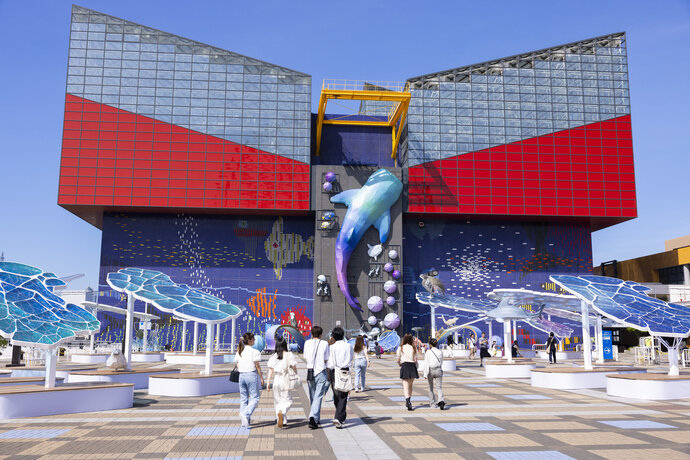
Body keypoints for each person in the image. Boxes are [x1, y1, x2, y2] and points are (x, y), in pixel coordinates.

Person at [303, 325, 330, 430]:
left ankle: (315, 418)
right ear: (321, 334)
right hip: (321, 371)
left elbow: (305, 357)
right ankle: (313, 417)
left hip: (310, 372)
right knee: (318, 396)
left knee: (313, 396)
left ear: (311, 333)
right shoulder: (325, 343)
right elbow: (326, 359)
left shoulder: (307, 343)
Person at [266, 338, 297, 428]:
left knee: (277, 401)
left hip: (276, 379)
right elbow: (294, 367)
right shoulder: (289, 355)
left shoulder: (274, 356)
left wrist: (268, 382)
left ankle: (282, 420)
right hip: (286, 379)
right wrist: (295, 376)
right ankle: (282, 412)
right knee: (287, 400)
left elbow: (270, 370)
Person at [236, 332, 264, 427]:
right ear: (250, 341)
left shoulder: (240, 351)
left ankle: (244, 421)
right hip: (251, 375)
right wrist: (261, 377)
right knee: (255, 398)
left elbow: (237, 364)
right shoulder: (255, 352)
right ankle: (246, 414)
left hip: (241, 375)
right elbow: (257, 366)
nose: (255, 340)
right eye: (253, 339)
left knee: (243, 398)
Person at [328, 326, 353, 429]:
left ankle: (338, 417)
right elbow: (351, 358)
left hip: (335, 371)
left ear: (333, 336)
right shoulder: (348, 346)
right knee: (343, 395)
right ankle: (341, 416)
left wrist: (329, 374)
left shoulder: (332, 347)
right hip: (345, 371)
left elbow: (330, 363)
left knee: (337, 395)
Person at [397, 333, 419, 411]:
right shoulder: (414, 348)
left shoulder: (401, 348)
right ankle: (409, 399)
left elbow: (398, 360)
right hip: (412, 366)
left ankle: (407, 400)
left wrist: (400, 364)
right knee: (410, 385)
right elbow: (415, 360)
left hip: (404, 366)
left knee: (405, 385)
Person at [424, 338, 446, 410]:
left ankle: (433, 403)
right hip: (438, 369)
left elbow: (426, 363)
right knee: (439, 387)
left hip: (431, 370)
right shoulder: (440, 352)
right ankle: (441, 401)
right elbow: (441, 361)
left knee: (430, 387)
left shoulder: (428, 352)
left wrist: (425, 374)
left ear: (430, 344)